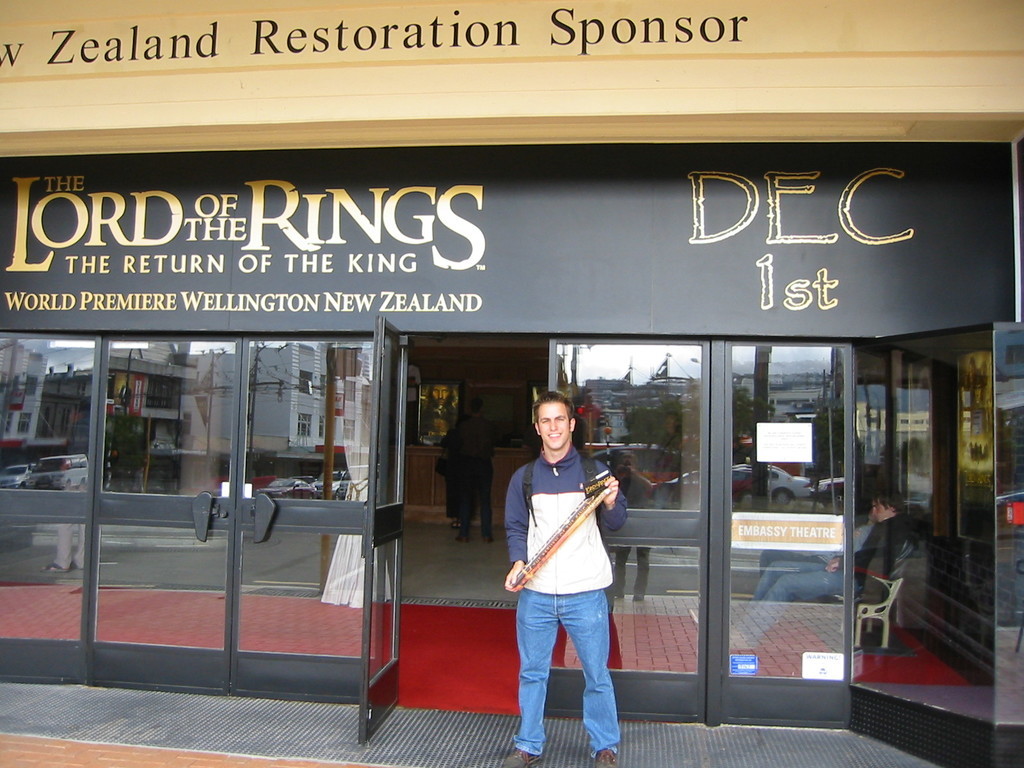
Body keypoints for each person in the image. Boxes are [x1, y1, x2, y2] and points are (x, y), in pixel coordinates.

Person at [502, 391, 627, 768]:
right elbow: (515, 527)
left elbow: (618, 521)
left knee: (596, 673)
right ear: (537, 428)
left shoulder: (595, 474)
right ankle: (528, 745)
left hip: (586, 592)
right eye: (546, 421)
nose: (553, 427)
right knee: (532, 673)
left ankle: (605, 745)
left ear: (571, 424)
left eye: (560, 419)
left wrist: (610, 501)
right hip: (537, 594)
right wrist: (517, 562)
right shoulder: (524, 478)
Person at [753, 495, 913, 603]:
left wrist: (843, 561)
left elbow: (873, 557)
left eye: (877, 507)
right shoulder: (884, 527)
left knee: (786, 582)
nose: (873, 510)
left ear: (892, 509)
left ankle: (751, 631)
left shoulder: (890, 530)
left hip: (855, 578)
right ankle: (756, 614)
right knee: (776, 567)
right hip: (845, 568)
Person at [607, 452, 653, 601]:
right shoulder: (619, 477)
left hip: (643, 519)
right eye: (625, 462)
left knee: (643, 559)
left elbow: (650, 487)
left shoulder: (640, 476)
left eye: (630, 461)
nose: (627, 465)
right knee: (621, 559)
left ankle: (639, 592)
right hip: (625, 519)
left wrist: (635, 474)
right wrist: (621, 476)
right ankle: (619, 590)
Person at [456, 397, 496, 542]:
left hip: (467, 462)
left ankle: (464, 533)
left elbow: (459, 443)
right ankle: (486, 534)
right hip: (484, 462)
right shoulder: (489, 425)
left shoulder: (463, 426)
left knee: (466, 498)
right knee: (485, 499)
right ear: (482, 408)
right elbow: (493, 442)